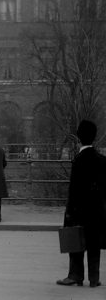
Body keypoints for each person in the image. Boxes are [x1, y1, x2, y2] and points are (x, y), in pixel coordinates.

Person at [57, 119, 106, 288]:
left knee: (76, 242)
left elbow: (74, 190)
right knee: (94, 244)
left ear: (79, 137)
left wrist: (69, 211)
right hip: (97, 210)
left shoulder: (78, 160)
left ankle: (75, 275)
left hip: (79, 210)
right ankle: (94, 278)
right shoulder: (102, 160)